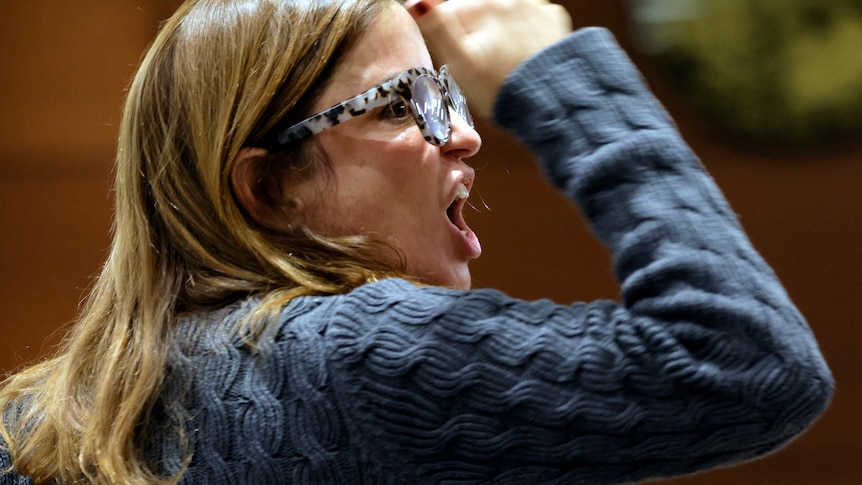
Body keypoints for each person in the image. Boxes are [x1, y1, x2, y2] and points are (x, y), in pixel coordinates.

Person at [0, 0, 833, 483]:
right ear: (268, 187)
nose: (465, 137)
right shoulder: (354, 356)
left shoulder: (28, 422)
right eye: (403, 105)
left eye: (450, 96)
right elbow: (746, 363)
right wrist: (559, 75)